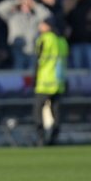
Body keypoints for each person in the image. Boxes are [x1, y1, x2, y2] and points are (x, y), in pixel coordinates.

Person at [32, 16, 68, 146]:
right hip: (59, 82)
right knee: (56, 111)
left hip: (45, 81)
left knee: (38, 110)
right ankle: (54, 136)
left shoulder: (44, 39)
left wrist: (35, 77)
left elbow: (39, 60)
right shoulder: (62, 41)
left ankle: (40, 137)